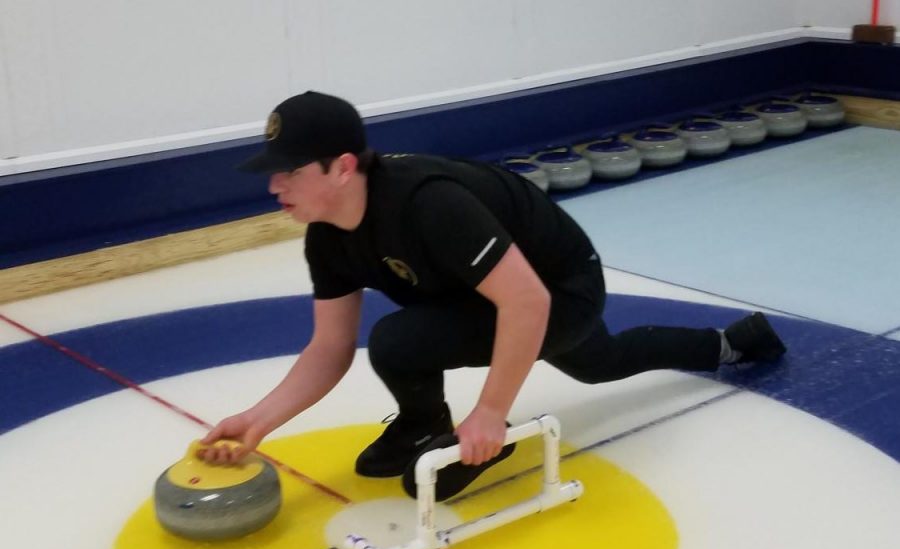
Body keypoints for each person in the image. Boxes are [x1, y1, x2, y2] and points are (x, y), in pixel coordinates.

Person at [199, 91, 786, 500]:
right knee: (586, 361)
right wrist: (257, 420)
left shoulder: (427, 203)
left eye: (290, 172)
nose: (274, 187)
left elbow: (528, 303)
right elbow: (329, 346)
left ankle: (728, 347)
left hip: (559, 287)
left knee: (410, 341)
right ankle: (420, 425)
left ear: (343, 167)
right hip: (484, 293)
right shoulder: (326, 235)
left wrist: (491, 414)